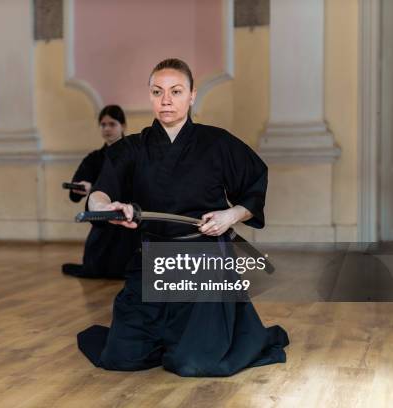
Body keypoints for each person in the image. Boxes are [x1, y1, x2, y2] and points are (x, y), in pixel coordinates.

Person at [77, 59, 289, 377]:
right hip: (151, 262)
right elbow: (101, 192)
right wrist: (105, 206)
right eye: (157, 91)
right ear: (149, 96)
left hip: (203, 262)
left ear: (191, 96)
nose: (166, 100)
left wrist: (230, 215)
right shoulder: (131, 148)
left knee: (195, 363)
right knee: (120, 357)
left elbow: (253, 191)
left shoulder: (217, 143)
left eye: (176, 91)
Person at [62, 105, 134, 279]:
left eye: (112, 124)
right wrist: (84, 188)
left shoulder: (135, 152)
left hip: (129, 220)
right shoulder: (94, 158)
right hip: (104, 221)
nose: (107, 129)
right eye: (103, 125)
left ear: (123, 126)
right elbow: (75, 192)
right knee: (96, 267)